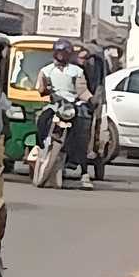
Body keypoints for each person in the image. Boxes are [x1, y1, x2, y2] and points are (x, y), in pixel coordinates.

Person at [35, 39, 94, 190]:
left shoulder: (77, 71)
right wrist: (44, 89)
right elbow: (40, 88)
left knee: (81, 134)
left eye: (65, 53)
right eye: (59, 52)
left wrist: (91, 99)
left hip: (71, 106)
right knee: (41, 120)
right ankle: (39, 147)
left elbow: (82, 90)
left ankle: (84, 173)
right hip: (55, 104)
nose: (61, 56)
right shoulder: (46, 70)